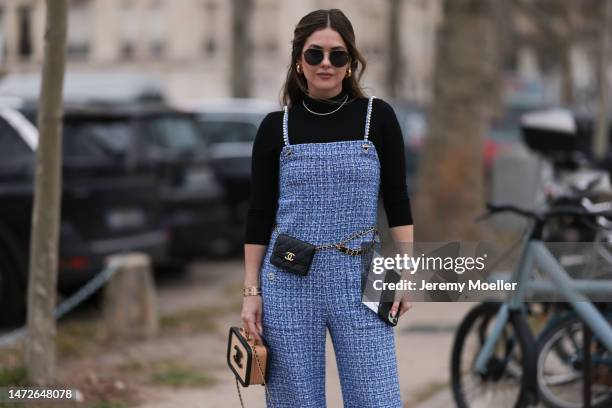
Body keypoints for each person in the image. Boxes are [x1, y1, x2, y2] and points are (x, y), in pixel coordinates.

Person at [241, 8, 414, 408]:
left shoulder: (379, 118)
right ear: (299, 60)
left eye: (337, 55)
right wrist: (252, 291)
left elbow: (398, 200)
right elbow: (258, 215)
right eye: (314, 53)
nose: (325, 64)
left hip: (366, 276)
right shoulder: (274, 127)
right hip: (287, 281)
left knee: (378, 398)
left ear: (351, 62)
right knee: (294, 400)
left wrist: (408, 273)